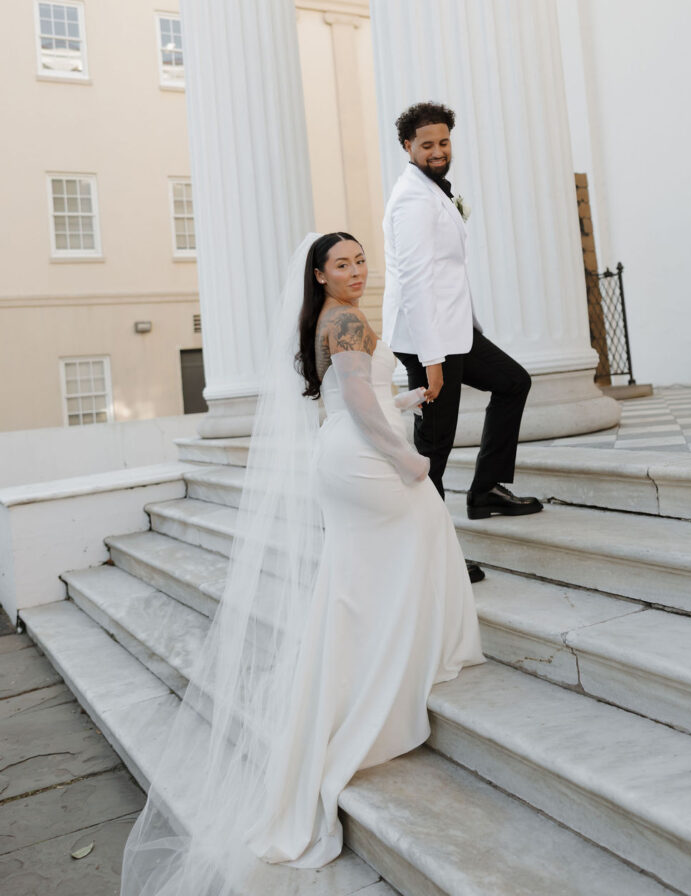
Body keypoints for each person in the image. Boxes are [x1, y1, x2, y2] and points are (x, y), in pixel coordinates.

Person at [120, 232, 483, 896]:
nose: (355, 271)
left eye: (360, 260)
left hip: (344, 453)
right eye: (341, 264)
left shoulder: (327, 320)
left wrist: (403, 405)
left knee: (363, 578)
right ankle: (393, 677)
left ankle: (373, 671)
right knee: (420, 535)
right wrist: (405, 455)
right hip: (363, 461)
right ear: (319, 274)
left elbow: (352, 400)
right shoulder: (343, 318)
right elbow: (361, 405)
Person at [383, 101, 544, 531]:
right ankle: (430, 546)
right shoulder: (412, 200)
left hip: (454, 331)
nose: (438, 151)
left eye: (443, 142)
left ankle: (485, 490)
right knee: (434, 445)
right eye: (426, 145)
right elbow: (415, 282)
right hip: (427, 339)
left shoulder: (433, 189)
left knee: (512, 382)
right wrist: (431, 361)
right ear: (407, 146)